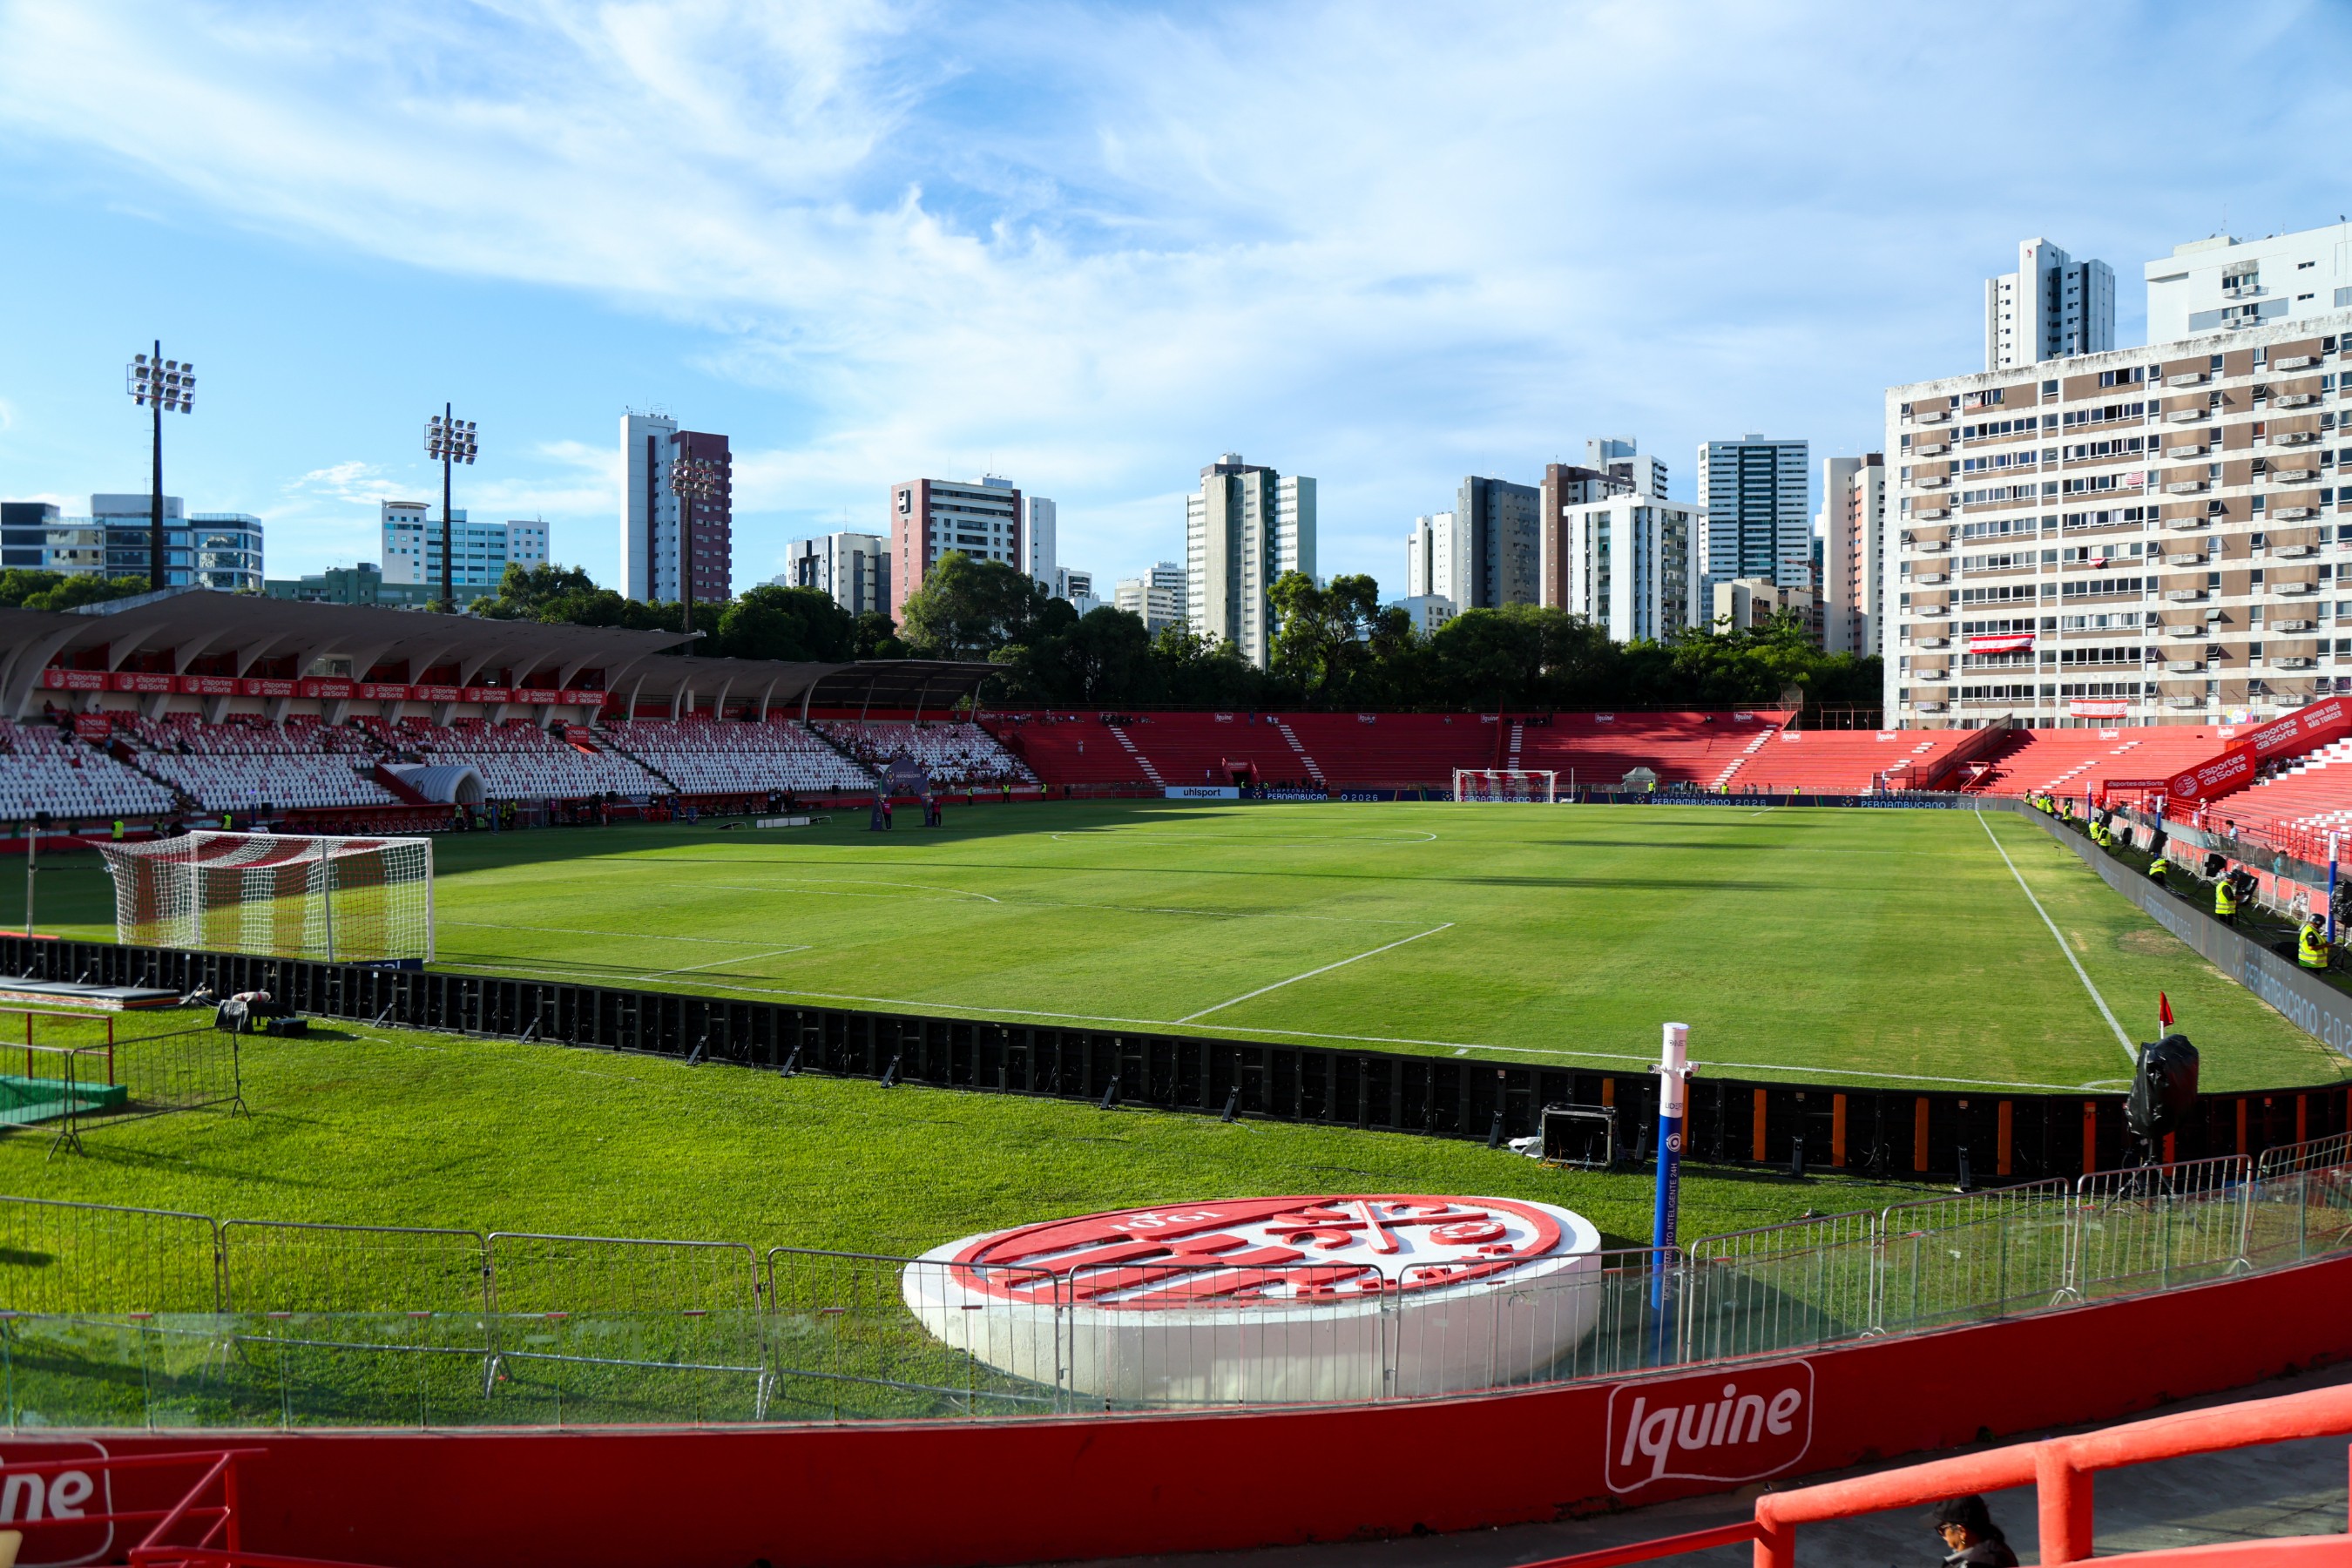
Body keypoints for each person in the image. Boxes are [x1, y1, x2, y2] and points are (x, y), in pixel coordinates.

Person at [1928, 1495, 2017, 1565]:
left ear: (1962, 1532)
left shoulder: (1981, 1562)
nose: (1941, 1535)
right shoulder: (1994, 1545)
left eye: (1941, 1530)